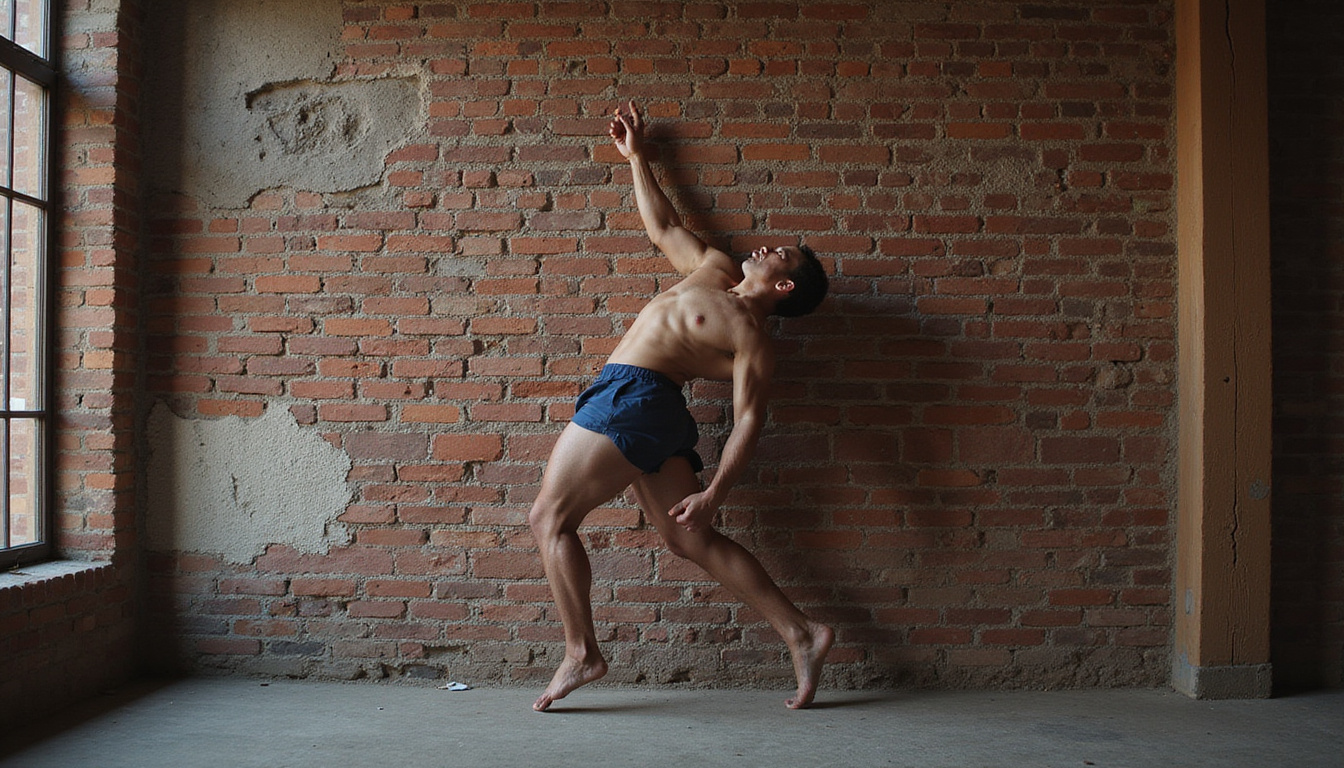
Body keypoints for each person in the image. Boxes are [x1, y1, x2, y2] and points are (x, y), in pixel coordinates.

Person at [527, 101, 833, 712]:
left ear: (785, 286)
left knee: (548, 519)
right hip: (644, 404)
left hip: (634, 400)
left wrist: (715, 490)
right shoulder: (714, 269)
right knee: (688, 540)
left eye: (783, 254)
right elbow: (663, 228)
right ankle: (803, 631)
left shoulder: (751, 336)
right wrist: (639, 158)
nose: (770, 246)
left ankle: (581, 651)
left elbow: (750, 419)